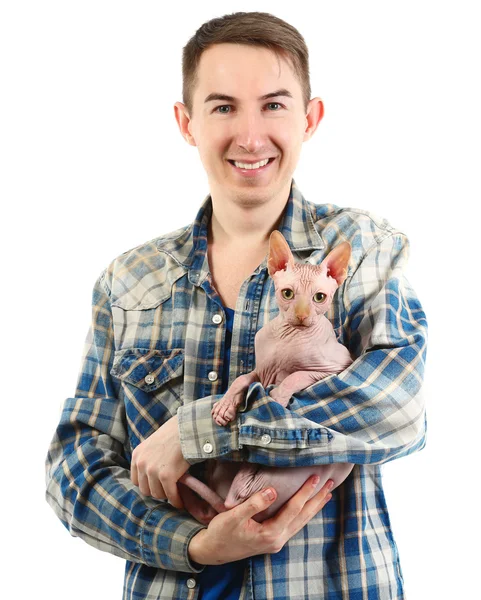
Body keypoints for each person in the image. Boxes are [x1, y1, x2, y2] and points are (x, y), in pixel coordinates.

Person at [45, 11, 428, 600]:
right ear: (186, 122)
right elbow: (74, 473)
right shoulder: (128, 283)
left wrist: (196, 433)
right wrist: (190, 544)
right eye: (223, 107)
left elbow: (396, 407)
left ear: (311, 118)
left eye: (273, 105)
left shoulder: (366, 250)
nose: (250, 137)